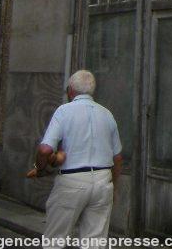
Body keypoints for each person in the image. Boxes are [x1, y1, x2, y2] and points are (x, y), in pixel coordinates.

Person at [31, 70, 123, 241]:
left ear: (70, 90)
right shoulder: (107, 114)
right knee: (94, 242)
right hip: (103, 181)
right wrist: (114, 186)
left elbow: (44, 150)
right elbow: (117, 157)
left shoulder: (63, 111)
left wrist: (40, 168)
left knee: (55, 240)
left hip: (72, 180)